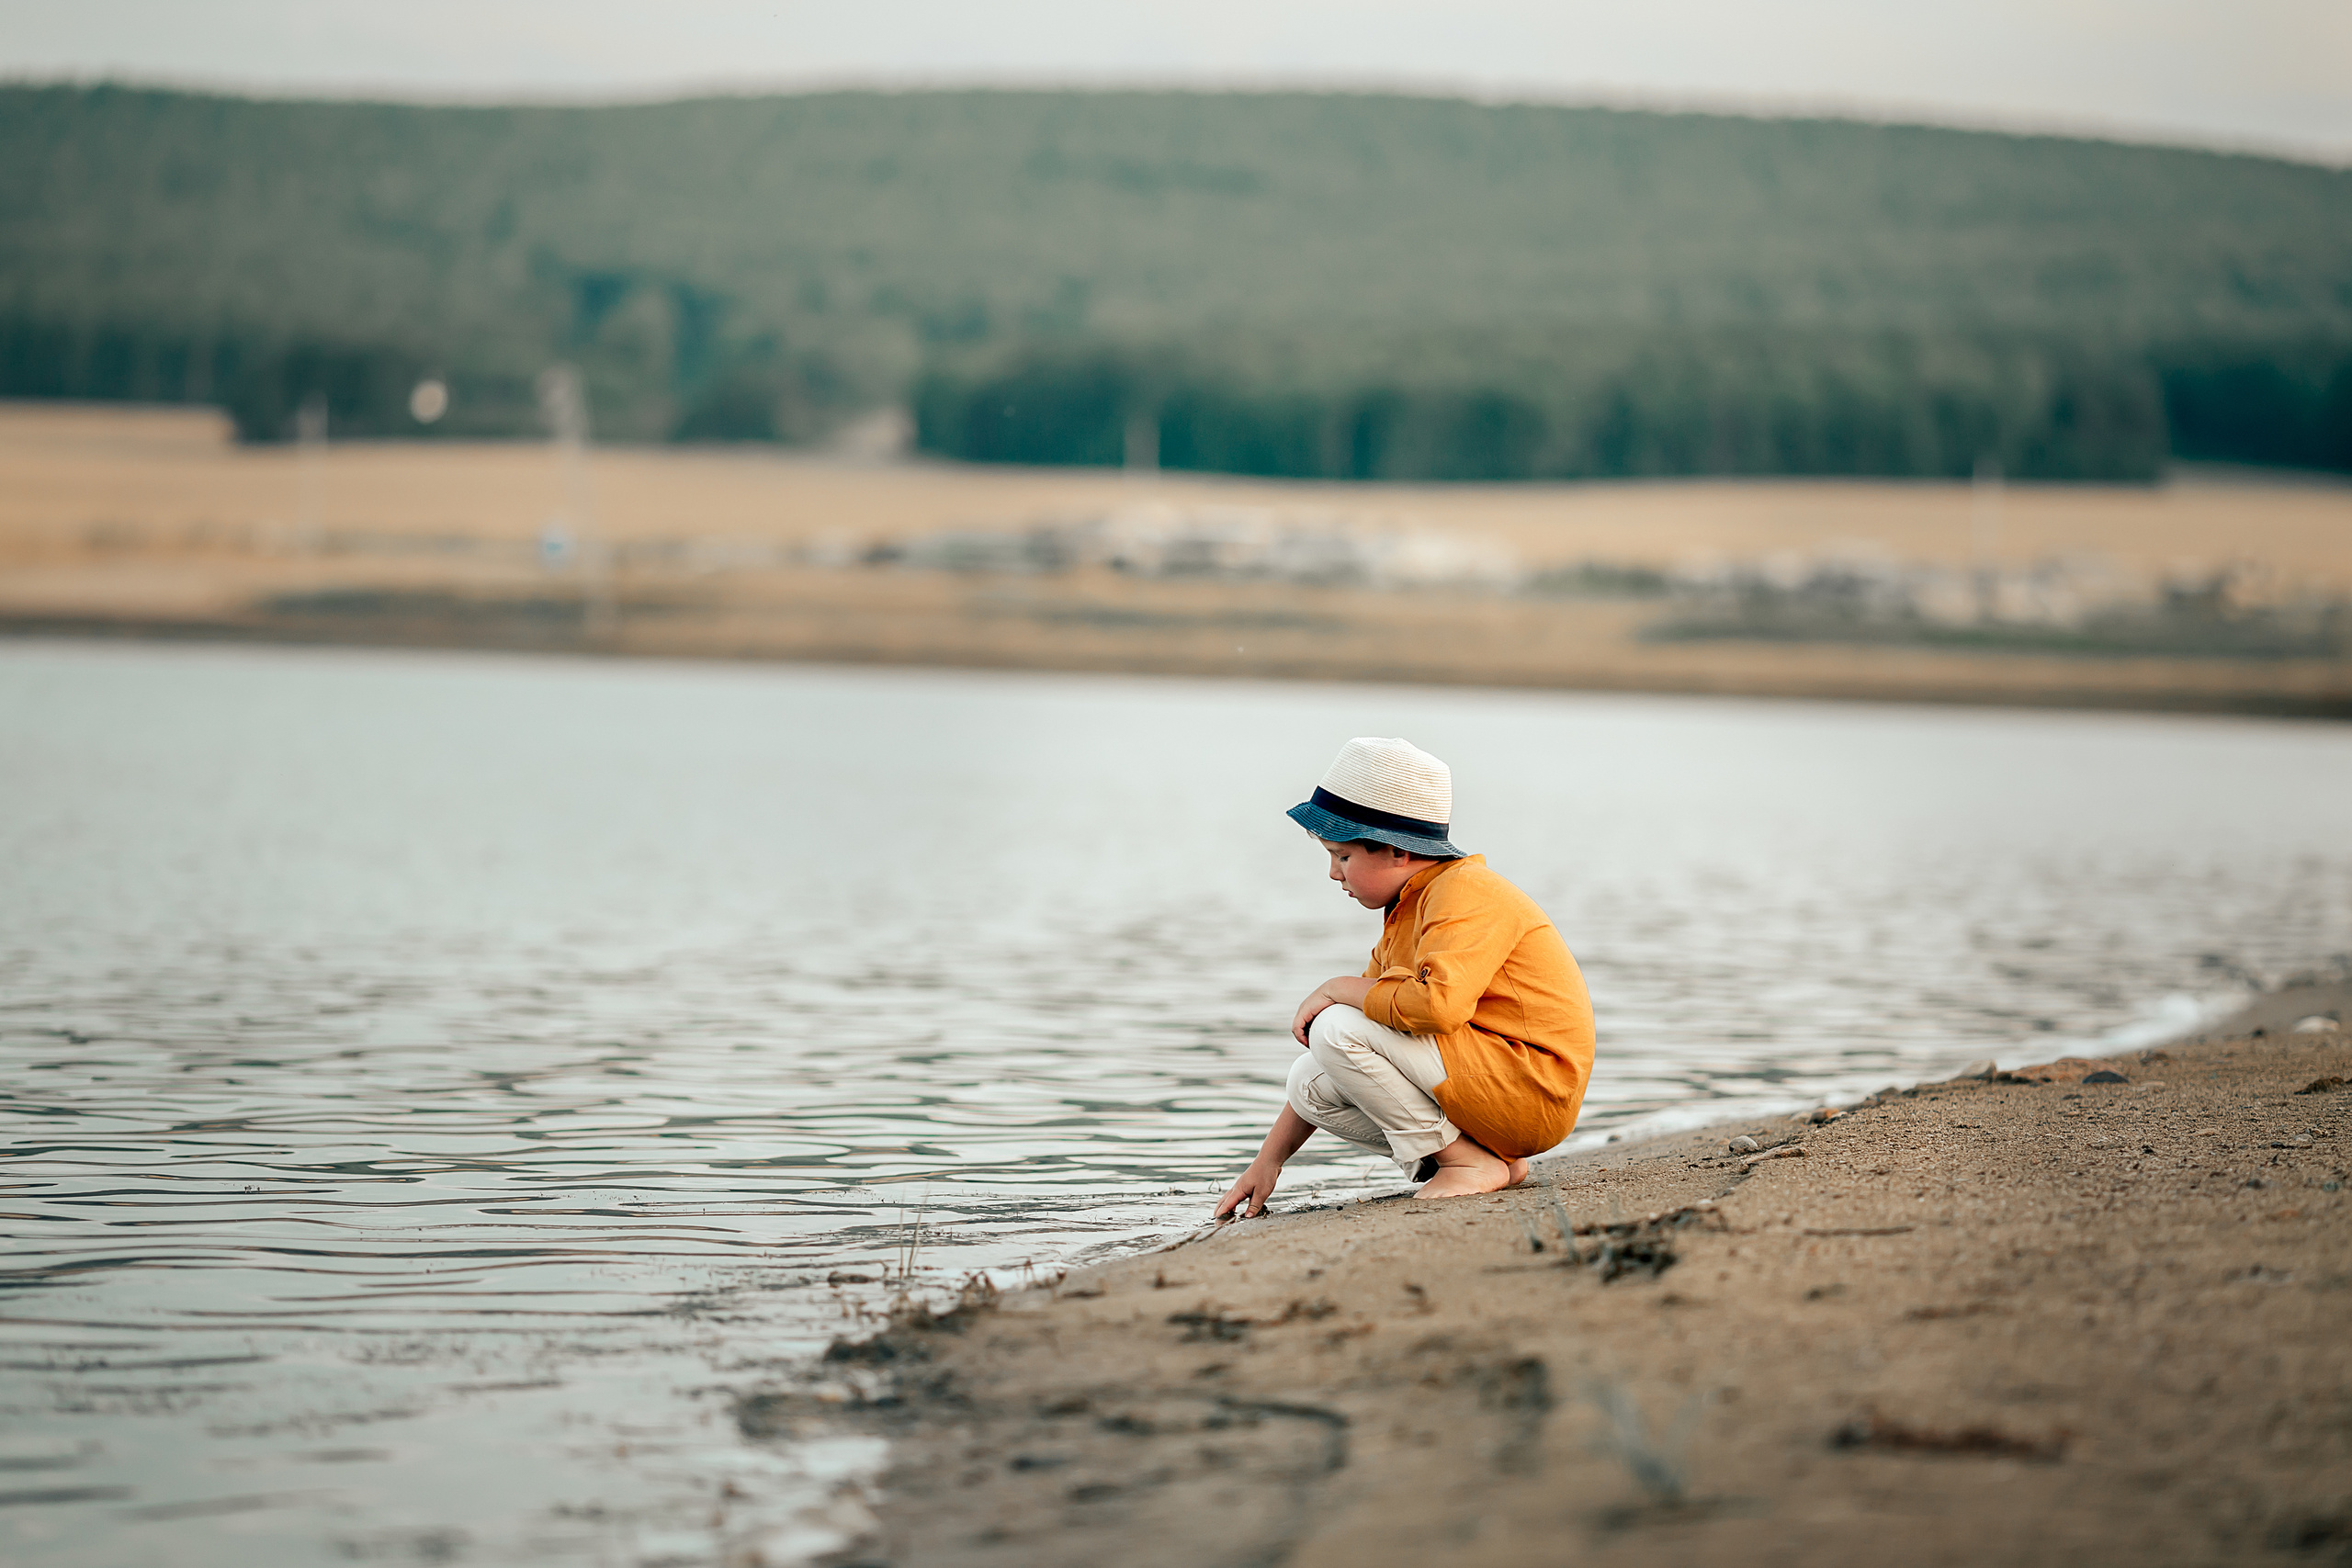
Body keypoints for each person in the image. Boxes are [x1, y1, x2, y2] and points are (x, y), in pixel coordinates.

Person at [1215, 737, 1596, 1218]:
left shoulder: (1465, 892)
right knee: (1309, 1080)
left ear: (1397, 852)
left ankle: (1464, 1164)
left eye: (1343, 856)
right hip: (1489, 1087)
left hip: (1531, 1089)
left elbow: (1437, 1007)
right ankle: (1484, 1160)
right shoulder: (1409, 908)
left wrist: (1335, 988)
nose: (1334, 874)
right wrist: (1267, 1162)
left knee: (1334, 1027)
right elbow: (1367, 1023)